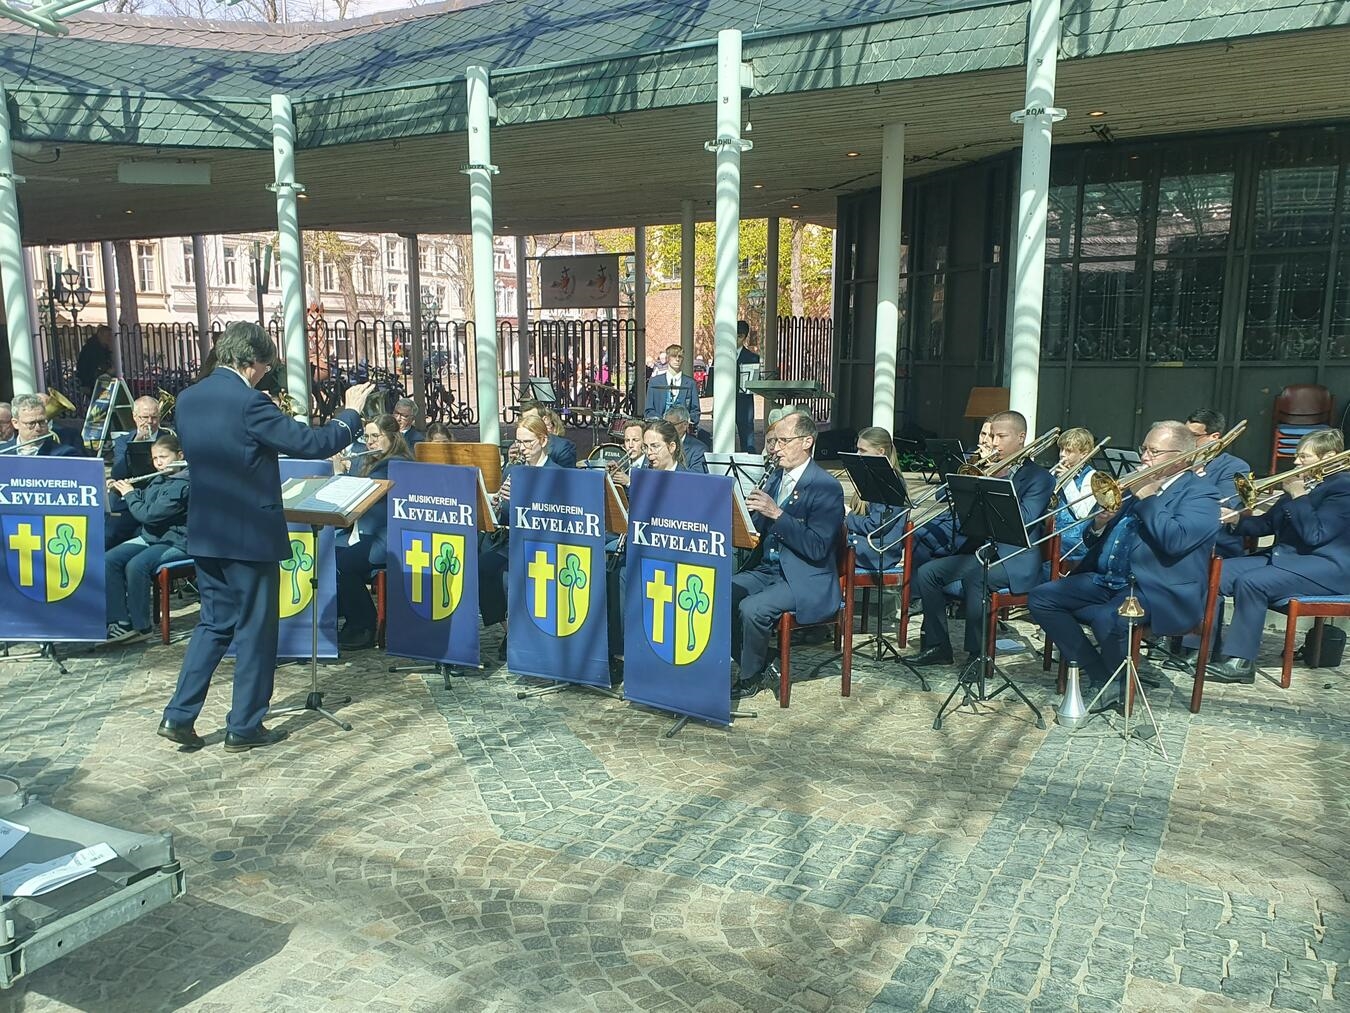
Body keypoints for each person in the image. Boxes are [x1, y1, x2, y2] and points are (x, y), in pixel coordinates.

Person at [159, 322, 373, 753]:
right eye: (263, 366)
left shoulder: (188, 398)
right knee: (256, 630)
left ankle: (178, 715)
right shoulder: (248, 402)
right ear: (249, 361)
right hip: (248, 537)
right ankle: (245, 725)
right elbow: (311, 443)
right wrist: (350, 414)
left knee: (212, 625)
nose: (263, 374)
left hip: (206, 532)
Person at [1029, 421, 1220, 711]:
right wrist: (1099, 522)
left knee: (1109, 618)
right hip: (1108, 580)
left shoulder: (1202, 495)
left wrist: (1148, 496)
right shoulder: (1135, 483)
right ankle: (1101, 674)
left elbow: (1175, 541)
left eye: (1154, 452)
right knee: (1042, 597)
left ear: (1182, 456)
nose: (1144, 457)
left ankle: (1113, 685)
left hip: (1156, 587)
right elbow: (1091, 538)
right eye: (1144, 448)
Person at [907, 410, 1054, 667]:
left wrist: (997, 481)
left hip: (1015, 558)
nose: (994, 443)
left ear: (1021, 438)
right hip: (984, 550)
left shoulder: (1039, 477)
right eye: (993, 436)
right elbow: (969, 518)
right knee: (928, 572)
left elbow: (1026, 518)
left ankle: (978, 657)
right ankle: (938, 646)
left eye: (1001, 436)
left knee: (978, 577)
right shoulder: (987, 468)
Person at [1208, 429, 1349, 683]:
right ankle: (1202, 649)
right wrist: (1234, 519)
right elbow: (1266, 525)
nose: (1296, 462)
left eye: (1303, 457)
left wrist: (1299, 495)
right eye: (1296, 456)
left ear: (1329, 457)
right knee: (1216, 574)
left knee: (1252, 583)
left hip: (1326, 567)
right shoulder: (1304, 482)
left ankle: (1241, 661)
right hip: (1287, 560)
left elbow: (1315, 536)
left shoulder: (1343, 489)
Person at [731, 410, 844, 696]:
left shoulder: (826, 487)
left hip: (804, 576)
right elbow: (760, 529)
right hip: (768, 569)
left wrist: (777, 513)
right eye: (774, 442)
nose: (776, 448)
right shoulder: (774, 478)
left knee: (751, 609)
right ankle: (763, 660)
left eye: (784, 441)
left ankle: (750, 676)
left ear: (807, 441)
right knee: (720, 593)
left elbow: (818, 547)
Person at [479, 414, 557, 654]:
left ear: (543, 441)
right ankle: (509, 629)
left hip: (544, 544)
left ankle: (527, 633)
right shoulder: (515, 469)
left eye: (527, 442)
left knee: (507, 577)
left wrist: (521, 500)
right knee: (480, 567)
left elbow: (552, 518)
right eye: (519, 442)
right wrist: (497, 505)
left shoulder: (555, 472)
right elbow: (505, 517)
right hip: (514, 541)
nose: (522, 448)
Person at [334, 415, 412, 650]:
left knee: (340, 562)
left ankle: (363, 625)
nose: (369, 442)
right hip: (366, 533)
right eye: (366, 436)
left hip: (388, 537)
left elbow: (358, 497)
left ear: (392, 436)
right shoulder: (373, 462)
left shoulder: (394, 463)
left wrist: (339, 473)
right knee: (325, 552)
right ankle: (348, 617)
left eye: (376, 436)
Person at [104, 434, 190, 643]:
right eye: (155, 458)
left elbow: (148, 514)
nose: (159, 463)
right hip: (152, 537)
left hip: (177, 541)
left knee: (137, 565)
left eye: (164, 457)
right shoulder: (159, 478)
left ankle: (141, 626)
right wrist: (119, 490)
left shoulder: (184, 483)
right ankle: (120, 622)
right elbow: (144, 502)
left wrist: (130, 494)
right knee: (109, 560)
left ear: (179, 455)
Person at [107, 396, 174, 548]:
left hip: (157, 496)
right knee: (110, 533)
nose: (150, 422)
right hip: (130, 496)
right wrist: (135, 443)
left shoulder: (168, 438)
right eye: (145, 417)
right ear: (134, 417)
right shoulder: (123, 441)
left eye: (154, 417)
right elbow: (118, 474)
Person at [846, 427, 906, 572]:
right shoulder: (871, 476)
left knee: (826, 545)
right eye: (857, 449)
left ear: (880, 452)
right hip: (867, 543)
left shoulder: (890, 482)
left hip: (879, 551)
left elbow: (877, 525)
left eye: (863, 450)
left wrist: (847, 516)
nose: (857, 454)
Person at [1049, 427, 1098, 572]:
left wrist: (1067, 482)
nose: (1062, 455)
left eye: (1068, 451)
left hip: (1075, 540)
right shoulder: (1056, 472)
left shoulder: (1091, 476)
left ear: (1083, 454)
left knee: (1043, 555)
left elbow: (1082, 513)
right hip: (1053, 533)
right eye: (1061, 450)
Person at [643, 344, 700, 429]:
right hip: (660, 430)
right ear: (668, 358)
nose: (677, 359)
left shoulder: (690, 383)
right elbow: (649, 411)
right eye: (674, 356)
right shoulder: (654, 382)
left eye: (680, 356)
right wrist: (662, 422)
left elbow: (695, 411)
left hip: (682, 431)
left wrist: (684, 423)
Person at [2, 394, 78, 457]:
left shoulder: (65, 453)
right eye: (31, 423)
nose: (38, 428)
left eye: (42, 422)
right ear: (15, 423)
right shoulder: (3, 451)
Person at [735, 320, 761, 453]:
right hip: (725, 401)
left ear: (744, 337)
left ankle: (748, 464)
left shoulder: (752, 357)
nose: (735, 339)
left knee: (747, 436)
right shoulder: (721, 355)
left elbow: (755, 383)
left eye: (739, 336)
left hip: (744, 402)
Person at [662, 405, 708, 473]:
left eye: (672, 425)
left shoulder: (698, 449)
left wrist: (671, 466)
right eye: (665, 425)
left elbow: (698, 476)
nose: (668, 429)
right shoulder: (659, 444)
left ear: (685, 425)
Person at [75, 325, 114, 398]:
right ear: (100, 334)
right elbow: (94, 365)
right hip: (91, 381)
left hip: (97, 380)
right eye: (107, 335)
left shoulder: (102, 347)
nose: (109, 338)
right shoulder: (92, 348)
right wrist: (107, 371)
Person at [608, 419, 646, 487]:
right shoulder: (621, 463)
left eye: (635, 440)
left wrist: (629, 482)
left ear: (644, 442)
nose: (630, 445)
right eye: (627, 440)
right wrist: (609, 476)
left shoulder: (651, 465)